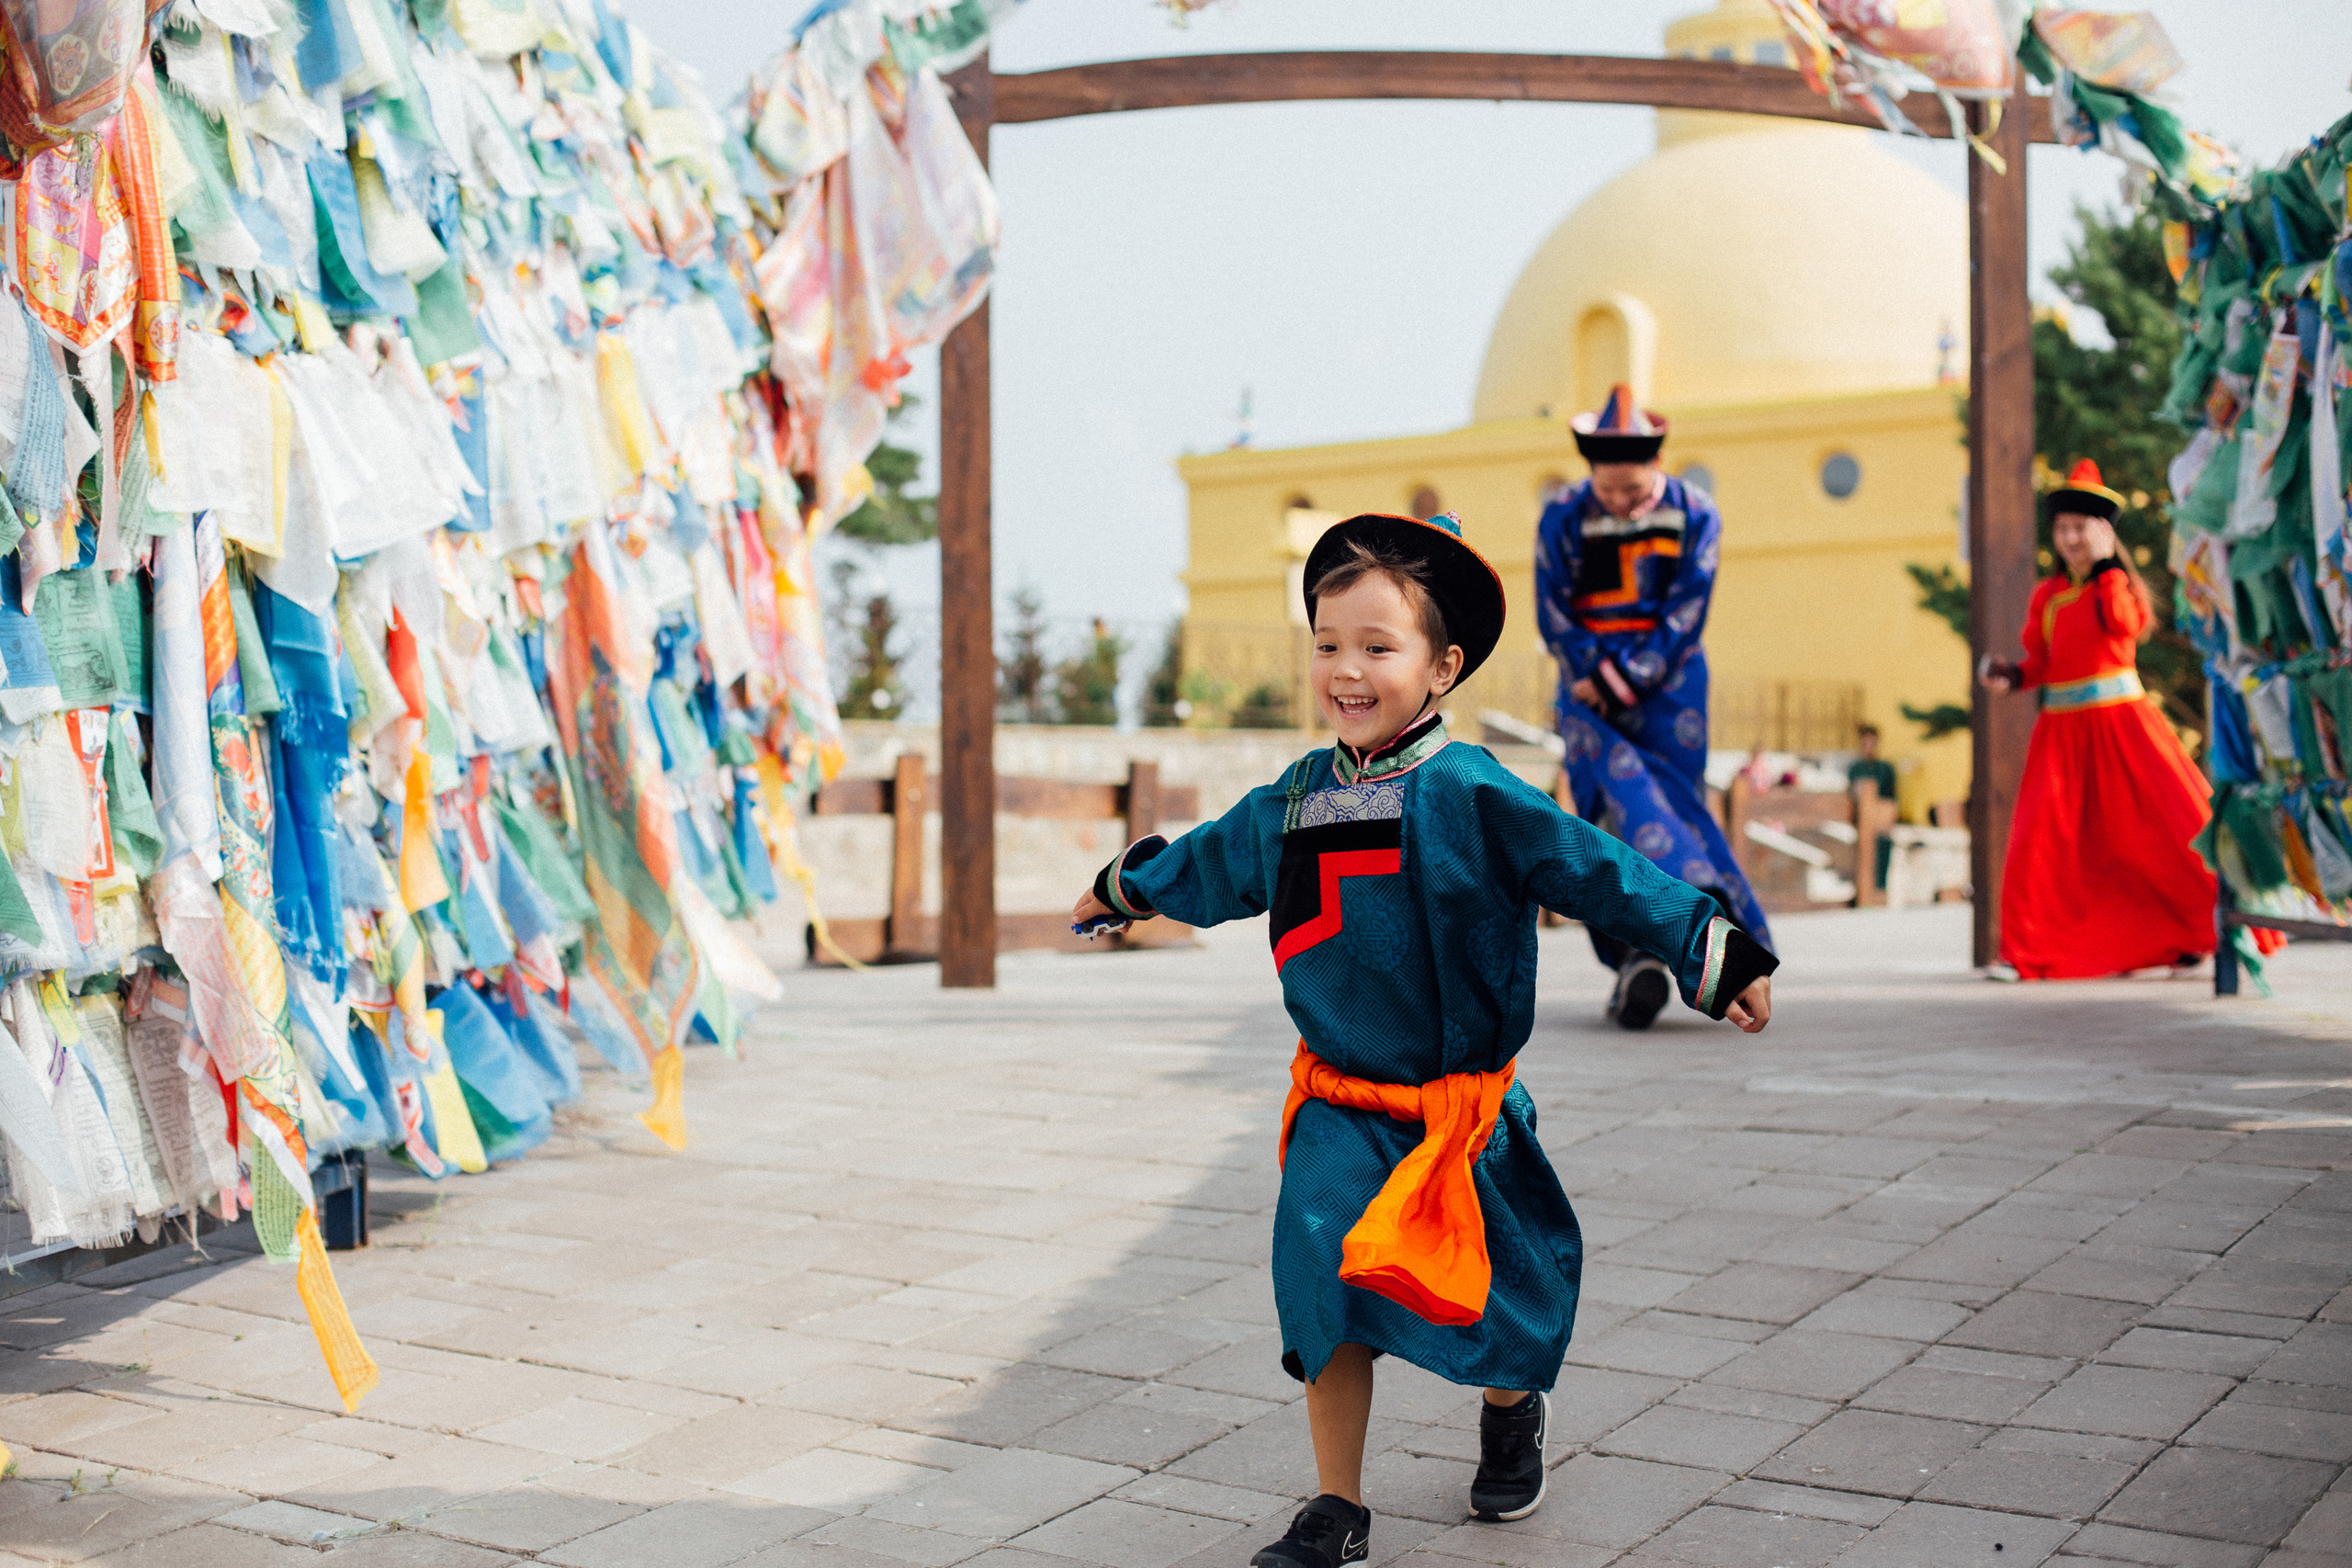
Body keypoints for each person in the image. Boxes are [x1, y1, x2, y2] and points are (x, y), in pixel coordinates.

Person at [1070, 512, 1777, 1567]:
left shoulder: (1471, 789)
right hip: (1340, 1106)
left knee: (1504, 1291)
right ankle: (1336, 1505)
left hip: (1461, 1112)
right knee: (1320, 1269)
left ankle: (1508, 1406)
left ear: (1442, 666)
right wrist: (1127, 885)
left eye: (1376, 646)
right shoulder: (1300, 796)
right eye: (1325, 644)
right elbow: (1216, 860)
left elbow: (1592, 864)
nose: (1345, 670)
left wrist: (1704, 946)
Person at [1535, 385, 1772, 1030]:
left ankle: (1671, 946)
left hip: (1668, 693)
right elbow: (1551, 610)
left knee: (1668, 810)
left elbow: (1687, 612)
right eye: (1607, 490)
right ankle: (1648, 950)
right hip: (1587, 694)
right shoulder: (1560, 512)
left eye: (1631, 490)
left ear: (1656, 466)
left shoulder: (1698, 512)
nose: (1618, 501)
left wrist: (1622, 677)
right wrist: (1595, 675)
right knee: (1609, 813)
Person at [1979, 460, 2216, 976]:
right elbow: (2044, 662)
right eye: (2062, 528)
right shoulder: (2046, 595)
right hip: (2061, 733)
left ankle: (2201, 929)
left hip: (2124, 729)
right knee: (2037, 842)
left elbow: (2124, 627)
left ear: (2102, 531)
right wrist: (2012, 678)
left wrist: (2110, 568)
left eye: (2080, 528)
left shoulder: (2117, 586)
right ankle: (2025, 953)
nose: (2069, 538)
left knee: (2172, 831)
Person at [1848, 724, 1898, 896]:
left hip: (1881, 822)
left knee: (1883, 856)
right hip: (1861, 823)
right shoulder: (1855, 769)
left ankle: (1880, 891)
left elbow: (1892, 796)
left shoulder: (1886, 769)